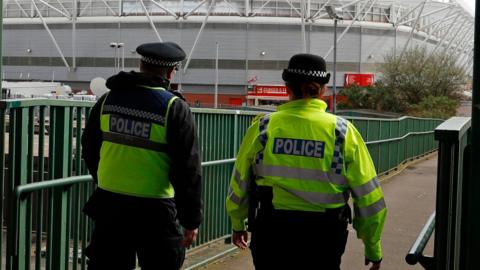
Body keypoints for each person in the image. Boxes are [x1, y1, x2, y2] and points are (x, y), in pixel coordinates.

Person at [226, 54, 387, 270]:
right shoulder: (342, 132)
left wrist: (237, 224)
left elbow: (239, 182)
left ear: (287, 88)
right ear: (323, 90)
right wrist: (373, 246)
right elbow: (369, 196)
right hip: (325, 235)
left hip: (272, 231)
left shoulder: (264, 128)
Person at [81, 42, 202, 270]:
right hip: (156, 212)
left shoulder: (107, 100)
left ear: (141, 64)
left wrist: (104, 179)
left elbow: (89, 147)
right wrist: (191, 220)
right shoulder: (173, 107)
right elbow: (188, 169)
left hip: (110, 206)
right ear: (171, 71)